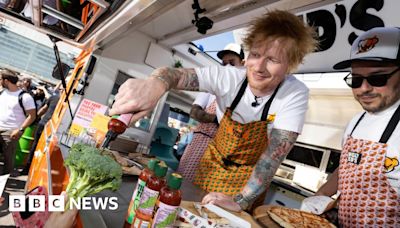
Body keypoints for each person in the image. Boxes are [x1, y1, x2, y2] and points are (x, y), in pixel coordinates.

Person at [109, 10, 317, 211]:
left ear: (290, 65)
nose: (259, 67)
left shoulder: (294, 93)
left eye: (272, 59)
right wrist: (156, 84)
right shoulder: (229, 77)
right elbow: (172, 74)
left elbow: (272, 157)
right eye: (255, 54)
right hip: (212, 165)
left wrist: (242, 200)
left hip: (248, 179)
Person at [315, 27, 400, 227]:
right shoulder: (356, 122)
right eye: (356, 79)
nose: (364, 89)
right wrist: (322, 195)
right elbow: (347, 167)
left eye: (377, 78)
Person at [177, 43, 245, 182]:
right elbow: (194, 112)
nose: (227, 68)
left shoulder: (244, 94)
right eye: (224, 63)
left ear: (242, 64)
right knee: (183, 180)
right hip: (199, 141)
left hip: (221, 150)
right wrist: (219, 120)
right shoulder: (213, 86)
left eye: (232, 63)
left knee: (204, 189)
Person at [0, 69, 36, 176]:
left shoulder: (25, 97)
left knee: (8, 159)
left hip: (10, 132)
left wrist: (20, 130)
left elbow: (32, 116)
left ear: (6, 81)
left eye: (1, 79)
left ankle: (3, 183)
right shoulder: (2, 92)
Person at [22, 83, 62, 175]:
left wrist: (34, 119)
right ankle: (37, 170)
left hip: (43, 124)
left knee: (35, 146)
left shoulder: (54, 98)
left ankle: (27, 169)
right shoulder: (66, 101)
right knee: (46, 150)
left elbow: (43, 110)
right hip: (54, 128)